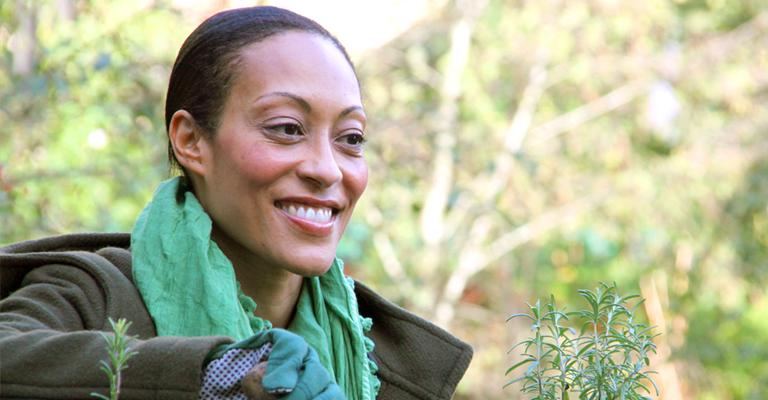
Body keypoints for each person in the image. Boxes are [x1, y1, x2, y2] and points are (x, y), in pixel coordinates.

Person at [0, 6, 471, 400]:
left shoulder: (381, 362)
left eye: (351, 138)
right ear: (191, 141)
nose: (328, 169)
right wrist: (221, 373)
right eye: (287, 128)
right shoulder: (91, 294)